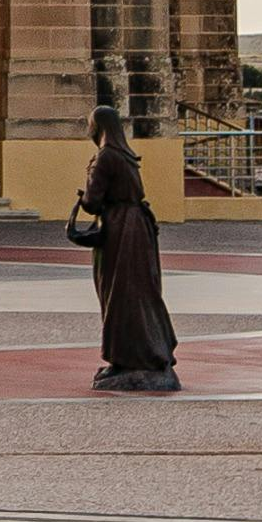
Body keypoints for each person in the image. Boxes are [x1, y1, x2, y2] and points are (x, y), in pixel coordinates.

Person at [73, 103, 178, 393]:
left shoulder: (105, 156)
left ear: (99, 127)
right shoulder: (125, 155)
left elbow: (93, 202)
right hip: (136, 230)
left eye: (91, 124)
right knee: (138, 293)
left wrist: (88, 178)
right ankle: (133, 357)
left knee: (119, 296)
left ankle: (130, 358)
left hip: (119, 230)